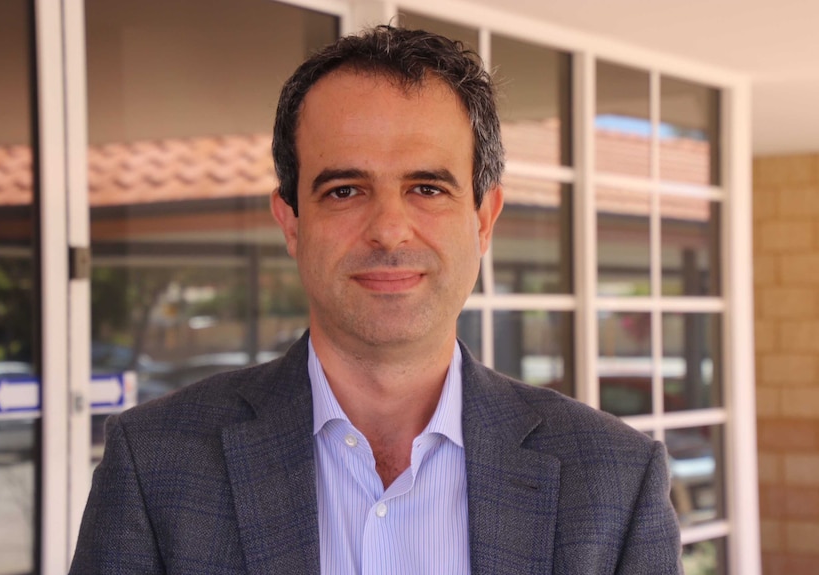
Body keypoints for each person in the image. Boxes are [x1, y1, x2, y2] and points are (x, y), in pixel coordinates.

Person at [70, 26, 683, 574]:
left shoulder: (615, 480)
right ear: (290, 221)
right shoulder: (155, 465)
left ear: (484, 219)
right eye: (344, 190)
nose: (389, 229)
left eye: (426, 187)